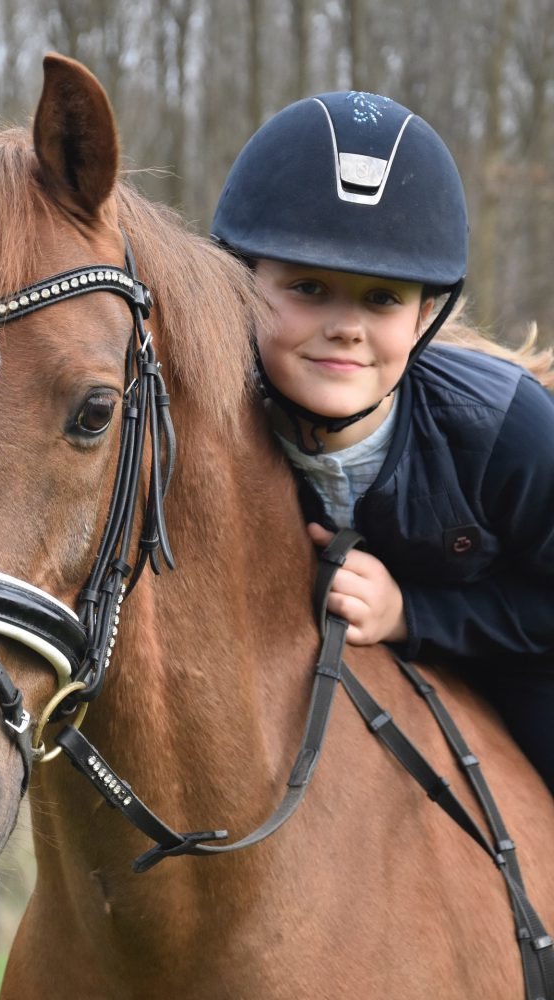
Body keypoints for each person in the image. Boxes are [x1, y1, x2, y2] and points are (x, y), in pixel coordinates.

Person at [211, 90, 554, 794]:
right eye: (309, 287)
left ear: (426, 312)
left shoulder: (505, 430)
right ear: (242, 285)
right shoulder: (206, 425)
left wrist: (412, 613)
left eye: (381, 299)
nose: (346, 326)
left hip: (520, 666)